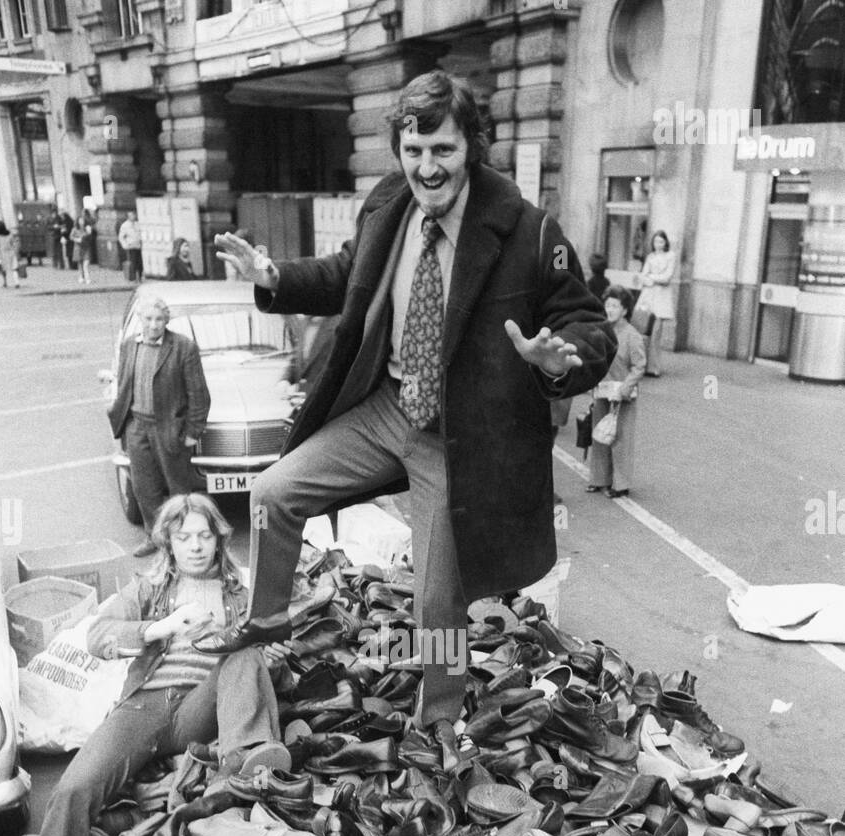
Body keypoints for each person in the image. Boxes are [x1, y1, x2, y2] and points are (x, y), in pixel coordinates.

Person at [195, 71, 614, 749]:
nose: (427, 167)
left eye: (443, 150)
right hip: (386, 407)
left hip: (459, 437)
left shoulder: (528, 232)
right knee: (272, 491)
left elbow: (587, 322)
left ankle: (441, 719)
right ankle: (265, 629)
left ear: (472, 146)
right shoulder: (388, 204)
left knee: (436, 597)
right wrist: (275, 279)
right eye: (414, 150)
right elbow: (344, 274)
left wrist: (563, 356)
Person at [0, 493, 289, 836]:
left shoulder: (243, 594)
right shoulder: (150, 587)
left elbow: (278, 648)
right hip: (147, 704)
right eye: (183, 536)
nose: (195, 546)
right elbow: (96, 636)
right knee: (73, 788)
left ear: (219, 537)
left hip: (202, 710)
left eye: (204, 534)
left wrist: (271, 656)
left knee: (248, 655)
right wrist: (158, 628)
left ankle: (244, 767)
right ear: (169, 541)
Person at [107, 292, 210, 557]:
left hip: (169, 430)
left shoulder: (183, 347)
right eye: (149, 319)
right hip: (136, 427)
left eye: (159, 319)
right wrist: (122, 417)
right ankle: (155, 537)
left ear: (167, 320)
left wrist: (192, 433)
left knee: (178, 488)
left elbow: (199, 395)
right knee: (144, 488)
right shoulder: (130, 345)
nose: (154, 325)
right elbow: (124, 384)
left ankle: (183, 538)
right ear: (140, 319)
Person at [586, 286, 646, 499]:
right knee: (600, 435)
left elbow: (639, 366)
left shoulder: (632, 336)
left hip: (623, 395)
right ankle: (598, 479)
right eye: (607, 305)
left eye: (614, 306)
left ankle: (620, 484)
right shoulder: (600, 330)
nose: (609, 309)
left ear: (625, 310)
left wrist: (625, 387)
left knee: (620, 438)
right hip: (602, 390)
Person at [637, 230, 675, 377]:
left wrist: (651, 278)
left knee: (656, 333)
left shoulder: (670, 256)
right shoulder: (650, 256)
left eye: (661, 241)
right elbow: (643, 275)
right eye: (655, 241)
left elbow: (667, 277)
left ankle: (654, 367)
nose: (658, 244)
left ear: (665, 242)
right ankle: (642, 364)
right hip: (648, 296)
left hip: (661, 297)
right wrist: (650, 279)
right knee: (643, 331)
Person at [0, 213, 16, 289]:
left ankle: (5, 282)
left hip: (2, 253)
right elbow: (13, 243)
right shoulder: (9, 234)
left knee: (3, 268)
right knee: (14, 267)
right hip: (11, 252)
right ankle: (16, 282)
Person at [118, 210, 143, 282]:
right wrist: (125, 245)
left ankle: (140, 276)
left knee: (140, 263)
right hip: (131, 246)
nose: (133, 217)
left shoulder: (138, 224)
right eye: (131, 215)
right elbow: (121, 237)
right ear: (128, 217)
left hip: (138, 246)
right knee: (133, 262)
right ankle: (134, 278)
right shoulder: (125, 225)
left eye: (134, 215)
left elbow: (140, 233)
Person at [70, 213, 91, 285]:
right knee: (80, 264)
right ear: (78, 221)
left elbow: (89, 236)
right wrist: (76, 239)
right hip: (78, 248)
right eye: (80, 220)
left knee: (86, 264)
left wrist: (89, 232)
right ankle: (81, 277)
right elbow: (71, 237)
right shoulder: (75, 229)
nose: (82, 222)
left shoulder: (87, 228)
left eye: (83, 220)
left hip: (86, 248)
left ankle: (87, 278)